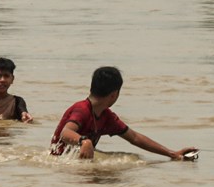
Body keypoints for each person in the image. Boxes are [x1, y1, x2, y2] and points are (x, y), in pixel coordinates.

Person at [50, 66, 197, 160]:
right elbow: (66, 132)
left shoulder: (107, 117)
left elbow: (135, 138)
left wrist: (172, 154)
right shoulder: (82, 109)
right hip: (60, 164)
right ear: (114, 94)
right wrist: (85, 141)